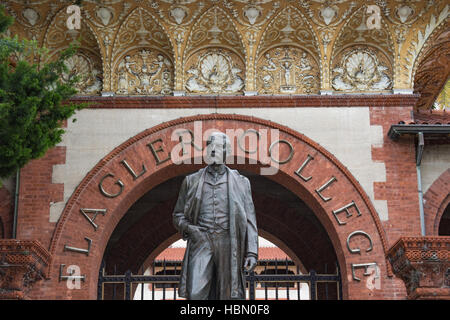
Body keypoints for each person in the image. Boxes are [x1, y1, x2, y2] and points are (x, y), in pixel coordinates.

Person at [172, 131, 258, 300]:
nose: (213, 151)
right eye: (210, 146)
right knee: (195, 293)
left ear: (227, 151)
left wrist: (252, 252)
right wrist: (191, 229)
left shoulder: (242, 182)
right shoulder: (191, 181)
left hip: (229, 240)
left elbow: (250, 219)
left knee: (227, 294)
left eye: (218, 147)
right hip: (201, 240)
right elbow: (178, 215)